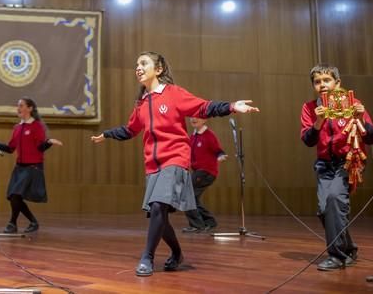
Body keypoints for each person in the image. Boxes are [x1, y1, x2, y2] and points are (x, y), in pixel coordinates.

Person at [91, 51, 258, 277]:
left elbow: (204, 107)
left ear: (158, 69)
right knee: (158, 214)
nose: (138, 68)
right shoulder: (141, 103)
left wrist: (231, 106)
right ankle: (177, 253)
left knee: (159, 205)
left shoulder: (174, 94)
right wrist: (108, 134)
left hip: (176, 158)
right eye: (136, 65)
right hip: (153, 165)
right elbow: (130, 130)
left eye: (143, 63)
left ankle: (147, 257)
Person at [300, 64, 373, 271]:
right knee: (324, 210)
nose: (322, 85)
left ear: (338, 83)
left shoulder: (353, 104)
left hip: (349, 161)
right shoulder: (310, 108)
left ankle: (336, 256)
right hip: (324, 164)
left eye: (327, 80)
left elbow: (372, 138)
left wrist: (361, 119)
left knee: (335, 200)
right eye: (317, 82)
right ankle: (349, 248)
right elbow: (307, 140)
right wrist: (318, 122)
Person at [0, 97, 63, 234]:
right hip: (19, 167)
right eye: (18, 106)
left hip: (32, 167)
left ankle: (12, 223)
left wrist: (49, 142)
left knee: (16, 194)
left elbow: (40, 147)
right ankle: (33, 222)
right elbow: (11, 148)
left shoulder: (37, 126)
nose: (18, 108)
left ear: (30, 108)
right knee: (13, 196)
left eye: (21, 105)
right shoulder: (17, 128)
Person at [182, 117, 227, 233]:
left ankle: (197, 225)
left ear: (204, 120)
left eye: (197, 117)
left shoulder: (209, 135)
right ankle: (209, 222)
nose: (193, 119)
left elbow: (218, 150)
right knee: (193, 197)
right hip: (198, 172)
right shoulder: (192, 137)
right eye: (191, 117)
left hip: (206, 171)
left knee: (187, 195)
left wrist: (221, 156)